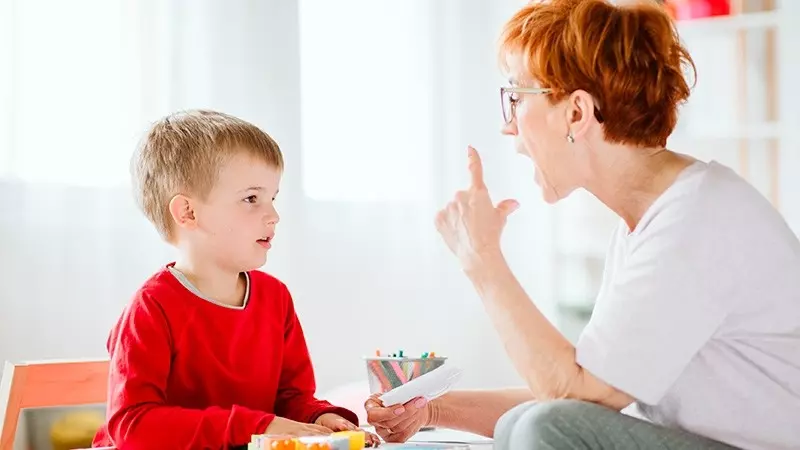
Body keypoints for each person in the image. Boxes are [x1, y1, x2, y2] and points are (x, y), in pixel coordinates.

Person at [365, 0, 800, 449]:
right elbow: (588, 399)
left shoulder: (696, 221)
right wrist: (433, 409)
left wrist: (483, 260)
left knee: (538, 426)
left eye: (516, 97)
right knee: (525, 424)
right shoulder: (654, 220)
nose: (508, 127)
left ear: (576, 113)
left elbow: (574, 396)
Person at [92, 110, 379, 449]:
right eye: (251, 199)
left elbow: (291, 398)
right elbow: (133, 426)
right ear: (188, 213)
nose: (273, 216)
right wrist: (257, 425)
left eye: (272, 198)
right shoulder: (151, 308)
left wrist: (316, 417)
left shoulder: (276, 298)